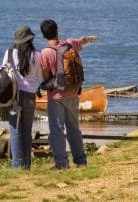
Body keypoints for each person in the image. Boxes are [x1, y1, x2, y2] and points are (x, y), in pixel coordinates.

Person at [39, 19, 97, 169]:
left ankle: (61, 164)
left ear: (43, 36)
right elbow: (81, 41)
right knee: (74, 129)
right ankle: (81, 161)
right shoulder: (70, 43)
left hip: (56, 98)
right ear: (57, 31)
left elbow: (46, 78)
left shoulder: (45, 53)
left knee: (57, 130)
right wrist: (89, 39)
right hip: (73, 94)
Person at [2, 26, 43, 169]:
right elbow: (40, 78)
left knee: (15, 131)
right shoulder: (37, 55)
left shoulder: (8, 54)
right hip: (30, 96)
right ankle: (26, 165)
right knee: (27, 131)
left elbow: (4, 75)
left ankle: (17, 166)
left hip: (14, 97)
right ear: (30, 39)